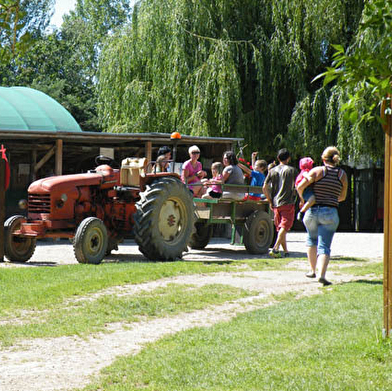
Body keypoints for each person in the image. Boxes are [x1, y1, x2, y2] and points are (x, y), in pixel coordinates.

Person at [296, 146, 348, 286]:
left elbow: (300, 186)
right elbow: (342, 197)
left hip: (312, 211)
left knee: (311, 240)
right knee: (324, 245)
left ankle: (312, 270)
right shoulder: (342, 175)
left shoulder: (318, 171)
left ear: (323, 158)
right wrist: (330, 199)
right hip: (330, 212)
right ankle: (321, 275)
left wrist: (303, 199)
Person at [263, 148, 297, 258]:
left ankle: (286, 251)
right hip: (288, 201)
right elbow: (298, 185)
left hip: (275, 203)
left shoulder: (272, 171)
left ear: (278, 158)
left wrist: (269, 200)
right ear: (289, 158)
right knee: (284, 226)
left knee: (281, 228)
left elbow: (265, 187)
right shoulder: (292, 170)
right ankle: (276, 248)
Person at [295, 157, 316, 221]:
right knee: (313, 198)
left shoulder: (302, 171)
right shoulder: (306, 171)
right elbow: (305, 174)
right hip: (305, 189)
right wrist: (309, 178)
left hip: (303, 189)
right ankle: (301, 212)